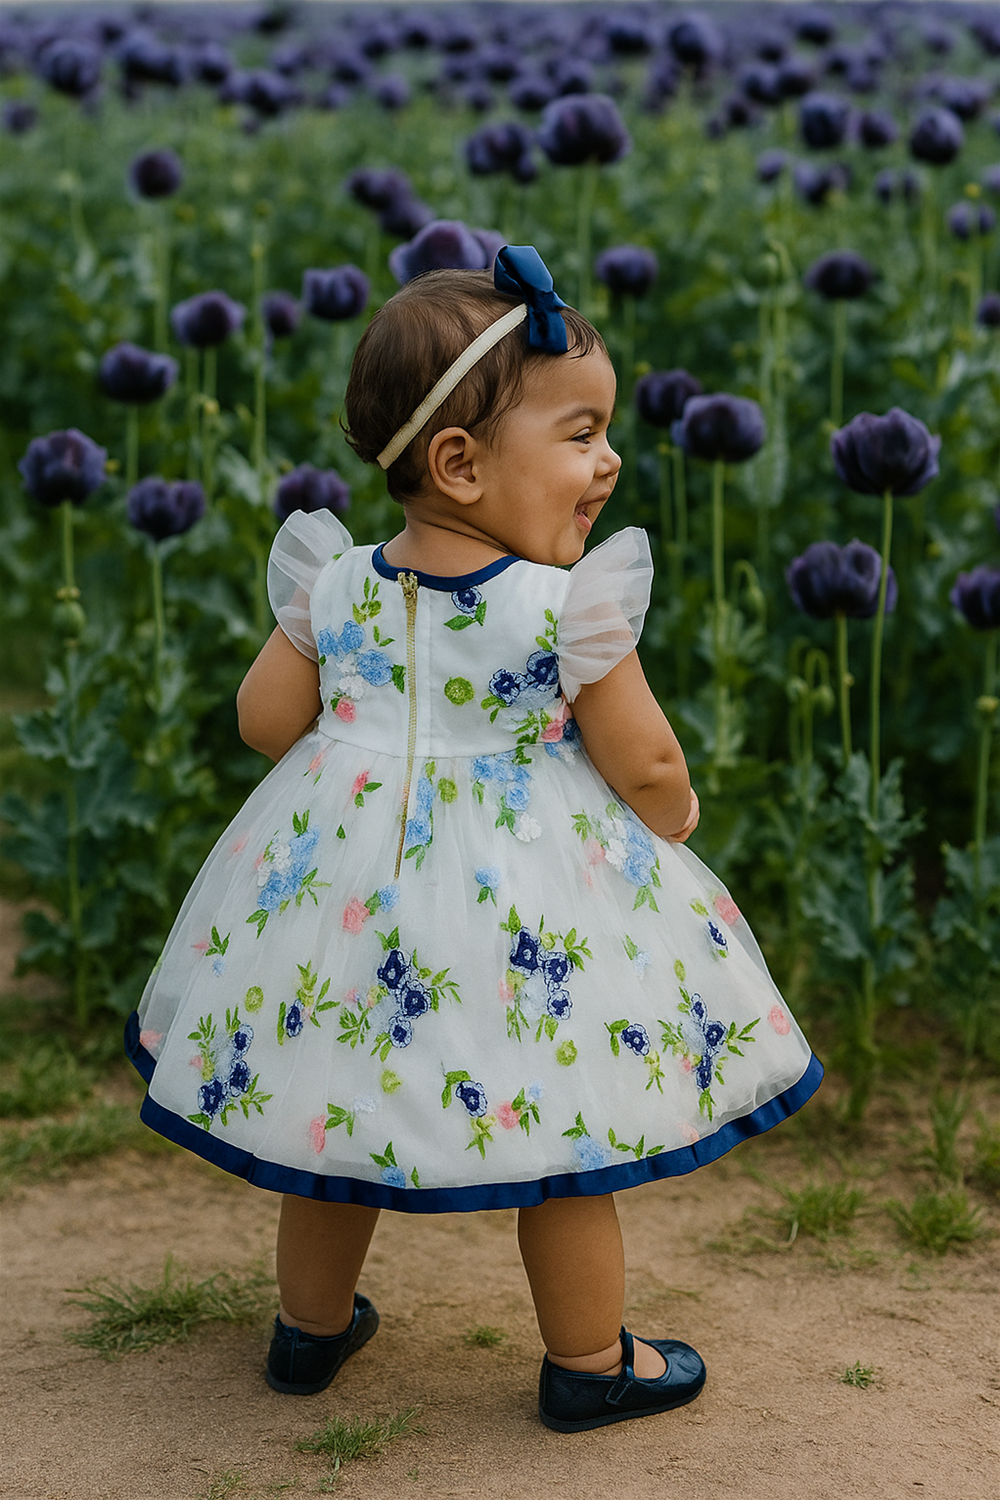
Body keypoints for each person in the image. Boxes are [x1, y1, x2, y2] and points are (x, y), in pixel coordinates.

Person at [126, 246, 821, 1433]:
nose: (607, 462)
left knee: (328, 1111)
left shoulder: (335, 581)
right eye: (580, 433)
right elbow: (643, 756)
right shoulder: (564, 609)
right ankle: (590, 1362)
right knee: (563, 1130)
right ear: (458, 463)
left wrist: (336, 687)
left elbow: (261, 723)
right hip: (527, 912)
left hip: (337, 901)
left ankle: (307, 1333)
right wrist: (670, 820)